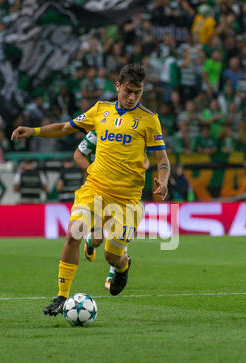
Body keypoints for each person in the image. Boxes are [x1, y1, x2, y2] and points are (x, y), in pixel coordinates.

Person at [11, 63, 170, 316]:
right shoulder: (100, 110)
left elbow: (163, 161)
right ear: (117, 86)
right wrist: (35, 131)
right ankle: (62, 297)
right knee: (74, 234)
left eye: (137, 92)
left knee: (111, 255)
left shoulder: (149, 120)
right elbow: (65, 127)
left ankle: (123, 266)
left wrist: (163, 179)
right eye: (128, 91)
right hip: (95, 188)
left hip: (128, 199)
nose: (131, 97)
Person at [74, 130, 150, 291]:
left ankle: (113, 273)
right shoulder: (98, 132)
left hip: (122, 193)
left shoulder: (131, 134)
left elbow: (145, 161)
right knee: (97, 239)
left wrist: (137, 168)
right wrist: (95, 174)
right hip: (98, 191)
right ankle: (90, 240)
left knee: (119, 231)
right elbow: (78, 155)